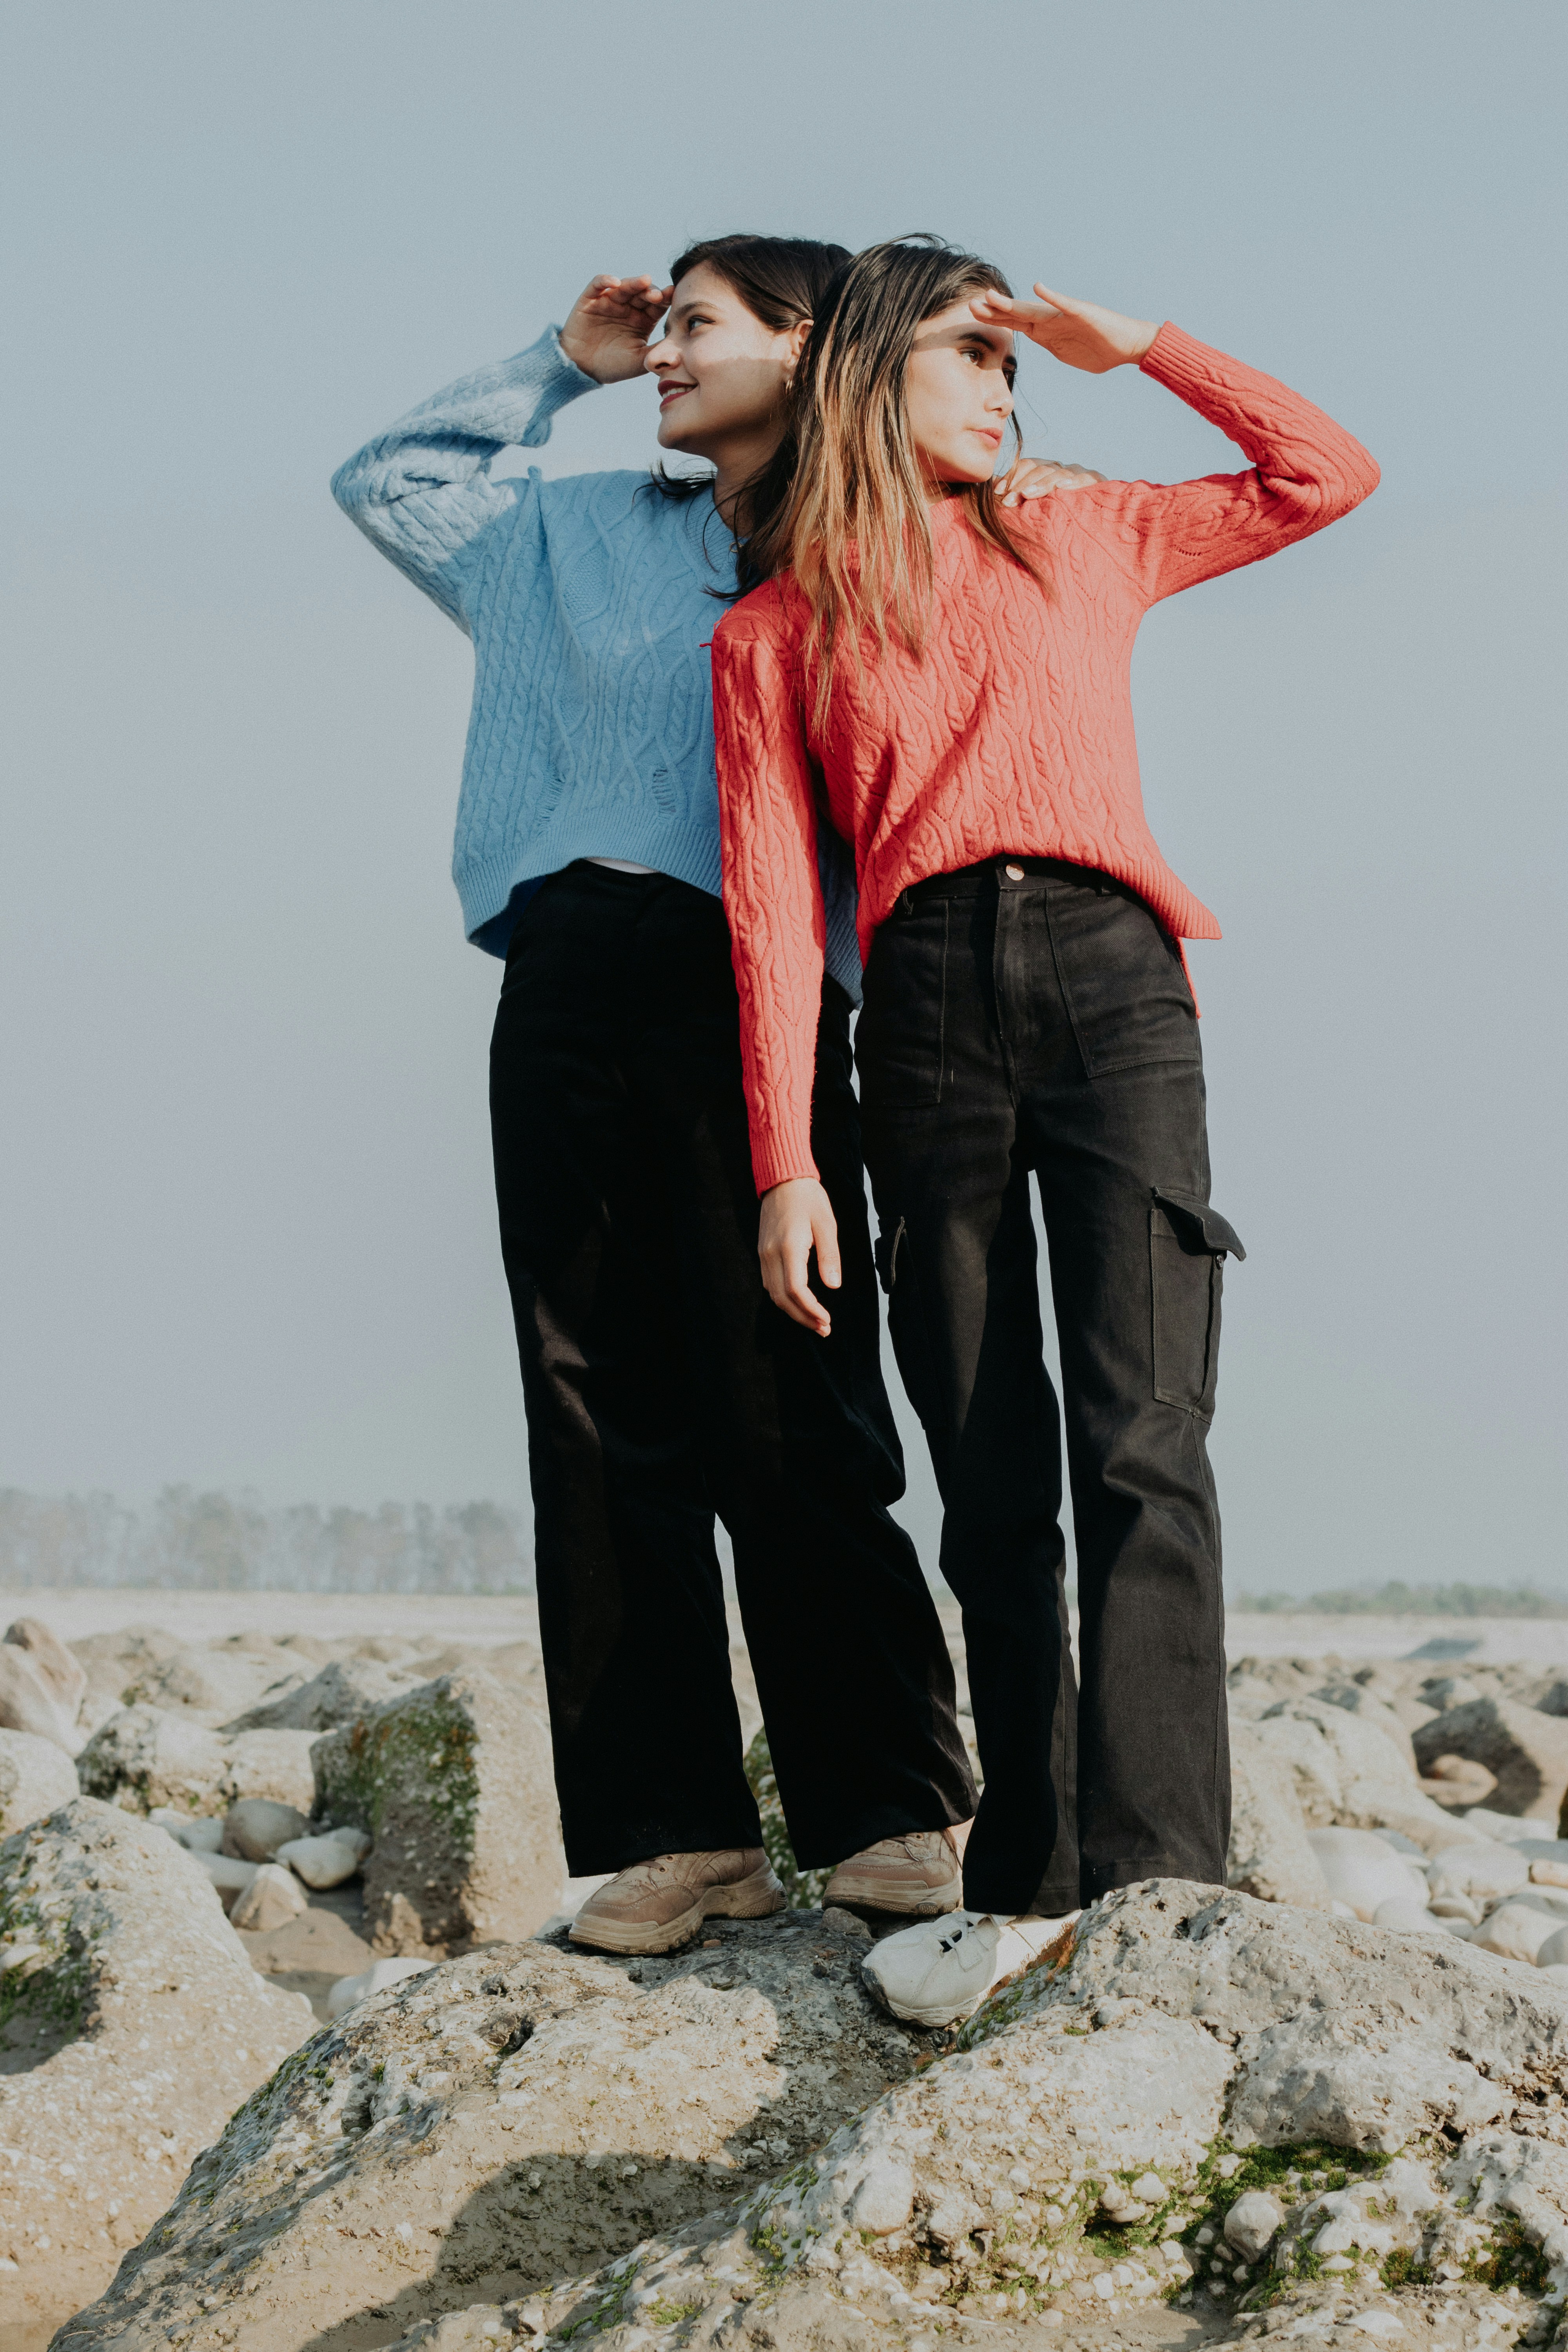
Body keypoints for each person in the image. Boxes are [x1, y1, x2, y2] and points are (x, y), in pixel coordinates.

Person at [331, 235, 1095, 1956]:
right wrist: (561, 360)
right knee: (591, 1406)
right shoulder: (571, 533)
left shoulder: (876, 550)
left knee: (790, 1396)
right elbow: (387, 482)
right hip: (570, 969)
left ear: (813, 347)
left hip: (761, 990)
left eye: (699, 323)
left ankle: (892, 1809)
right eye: (658, 322)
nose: (666, 350)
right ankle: (676, 1837)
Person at [711, 237, 1379, 2021]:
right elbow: (775, 907)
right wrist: (784, 1156)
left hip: (1114, 985)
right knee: (990, 1480)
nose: (1011, 390)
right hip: (923, 1013)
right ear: (868, 371)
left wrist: (1142, 339)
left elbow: (1325, 473)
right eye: (975, 356)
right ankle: (1029, 1879)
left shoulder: (1083, 533)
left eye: (1023, 368)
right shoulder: (776, 625)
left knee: (1142, 1437)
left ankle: (1164, 1880)